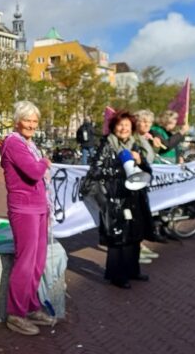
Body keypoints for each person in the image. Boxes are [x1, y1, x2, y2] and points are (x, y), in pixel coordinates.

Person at [82, 110, 155, 289]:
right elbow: (95, 171)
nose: (123, 129)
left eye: (127, 126)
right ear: (114, 127)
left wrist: (140, 160)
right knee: (117, 237)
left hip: (133, 197)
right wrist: (119, 167)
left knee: (134, 234)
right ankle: (117, 275)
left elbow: (148, 172)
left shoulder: (135, 144)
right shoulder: (107, 145)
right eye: (120, 125)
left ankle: (133, 270)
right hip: (114, 197)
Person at [0, 100, 55, 336]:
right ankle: (15, 313)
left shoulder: (29, 144)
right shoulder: (14, 143)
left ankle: (31, 305)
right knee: (25, 262)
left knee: (38, 261)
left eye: (35, 121)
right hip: (24, 209)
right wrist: (44, 161)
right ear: (17, 121)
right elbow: (33, 172)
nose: (31, 125)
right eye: (27, 120)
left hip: (38, 207)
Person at [133, 109, 162, 264]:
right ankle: (135, 248)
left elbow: (150, 157)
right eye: (143, 121)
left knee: (141, 215)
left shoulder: (145, 137)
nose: (146, 125)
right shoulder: (134, 138)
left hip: (143, 180)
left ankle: (139, 245)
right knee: (136, 216)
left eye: (148, 122)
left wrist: (154, 143)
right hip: (135, 180)